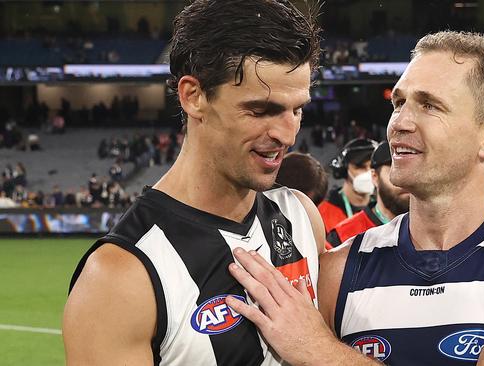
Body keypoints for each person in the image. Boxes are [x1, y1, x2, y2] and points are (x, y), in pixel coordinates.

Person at [226, 31, 484, 366]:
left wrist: (319, 350)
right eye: (398, 102)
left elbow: (313, 349)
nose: (399, 123)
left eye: (430, 105)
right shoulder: (339, 270)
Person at [62, 1, 326, 365]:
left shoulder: (300, 217)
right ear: (193, 96)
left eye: (296, 110)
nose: (286, 134)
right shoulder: (120, 278)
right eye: (261, 110)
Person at [326, 141, 409, 247]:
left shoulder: (431, 229)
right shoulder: (343, 236)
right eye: (394, 170)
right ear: (374, 177)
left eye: (409, 172)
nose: (404, 180)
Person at [318, 138, 378, 233]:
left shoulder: (385, 209)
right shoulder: (323, 212)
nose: (368, 173)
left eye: (372, 167)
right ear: (344, 169)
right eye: (360, 167)